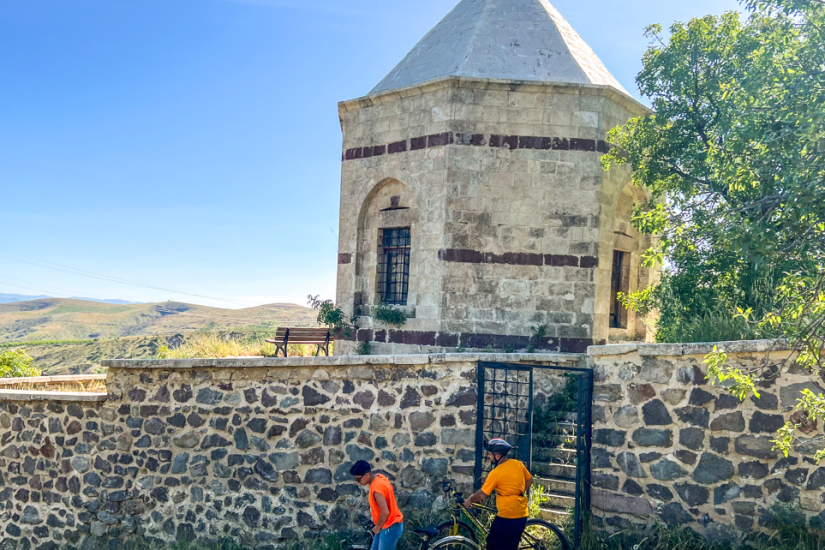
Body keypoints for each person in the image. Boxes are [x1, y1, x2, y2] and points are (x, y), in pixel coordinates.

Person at [463, 439, 533, 550]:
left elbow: (482, 494)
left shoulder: (496, 473)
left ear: (497, 456)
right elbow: (530, 480)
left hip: (507, 517)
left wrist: (469, 500)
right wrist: (517, 492)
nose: (489, 457)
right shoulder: (518, 464)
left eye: (489, 454)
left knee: (492, 544)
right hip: (522, 514)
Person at [350, 460, 404, 550]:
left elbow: (385, 512)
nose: (358, 482)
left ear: (367, 474)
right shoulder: (379, 478)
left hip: (390, 526)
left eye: (359, 479)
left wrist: (378, 527)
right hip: (385, 525)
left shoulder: (377, 488)